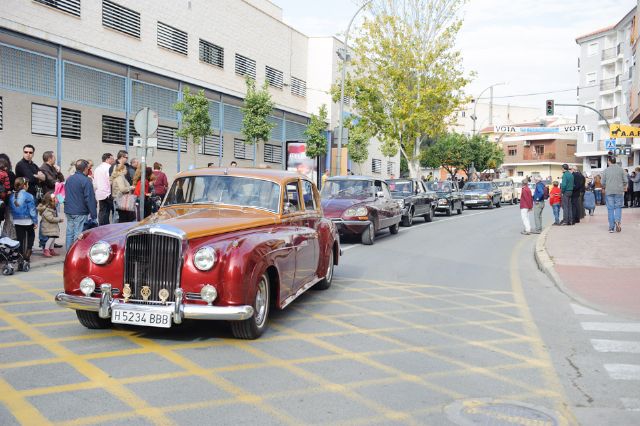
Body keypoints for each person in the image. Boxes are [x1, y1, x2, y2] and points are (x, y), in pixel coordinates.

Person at [64, 160, 97, 250]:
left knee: (70, 232)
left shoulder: (70, 179)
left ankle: (68, 252)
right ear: (85, 169)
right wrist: (94, 215)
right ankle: (75, 253)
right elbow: (90, 199)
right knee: (78, 234)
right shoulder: (85, 181)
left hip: (69, 210)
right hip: (80, 211)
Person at [38, 151, 65, 249]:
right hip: (48, 196)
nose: (55, 159)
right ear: (49, 158)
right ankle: (44, 240)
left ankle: (51, 239)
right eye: (54, 157)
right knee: (46, 219)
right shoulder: (43, 168)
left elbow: (61, 180)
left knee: (53, 217)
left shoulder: (53, 168)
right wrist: (57, 181)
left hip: (54, 196)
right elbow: (51, 182)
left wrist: (58, 172)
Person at [9, 177, 38, 263]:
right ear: (24, 185)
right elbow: (32, 210)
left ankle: (20, 255)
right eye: (27, 184)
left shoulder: (11, 196)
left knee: (20, 239)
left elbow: (11, 209)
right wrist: (35, 221)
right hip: (28, 220)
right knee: (31, 235)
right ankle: (28, 251)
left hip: (16, 220)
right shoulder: (29, 196)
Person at [601, 156, 626, 233]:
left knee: (610, 209)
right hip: (619, 191)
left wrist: (604, 187)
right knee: (618, 207)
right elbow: (625, 181)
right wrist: (622, 186)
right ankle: (618, 221)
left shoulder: (606, 170)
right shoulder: (621, 169)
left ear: (609, 161)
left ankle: (611, 227)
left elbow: (603, 182)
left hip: (609, 191)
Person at [37, 192, 63, 257]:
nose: (55, 201)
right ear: (49, 201)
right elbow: (50, 218)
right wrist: (58, 219)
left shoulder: (51, 207)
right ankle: (46, 250)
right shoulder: (47, 209)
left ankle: (51, 249)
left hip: (51, 227)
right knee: (51, 238)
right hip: (48, 227)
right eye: (53, 200)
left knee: (53, 238)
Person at [93, 153, 115, 226]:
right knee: (113, 212)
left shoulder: (97, 168)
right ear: (107, 159)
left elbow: (95, 182)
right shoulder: (109, 167)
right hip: (108, 193)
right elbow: (110, 181)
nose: (113, 160)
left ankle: (101, 227)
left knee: (102, 212)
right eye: (112, 158)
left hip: (100, 193)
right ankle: (108, 228)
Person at [0, 154, 17, 239]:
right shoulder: (10, 174)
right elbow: (12, 187)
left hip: (4, 202)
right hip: (6, 201)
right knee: (8, 222)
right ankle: (6, 239)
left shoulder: (10, 174)